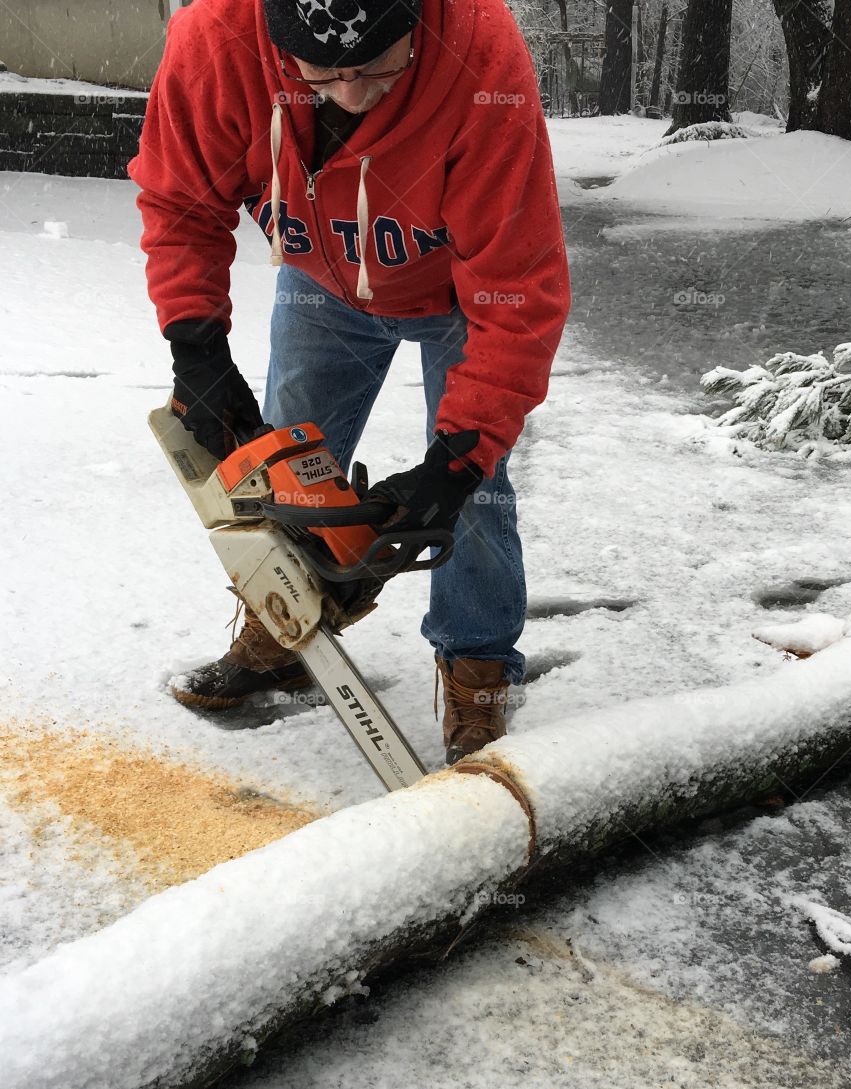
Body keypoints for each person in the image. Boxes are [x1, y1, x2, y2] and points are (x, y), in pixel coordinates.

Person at [128, 0, 570, 764]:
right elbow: (181, 202)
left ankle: (479, 669)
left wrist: (457, 460)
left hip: (465, 295)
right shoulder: (215, 38)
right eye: (325, 73)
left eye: (378, 66)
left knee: (476, 495)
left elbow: (517, 282)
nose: (354, 94)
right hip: (321, 283)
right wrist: (195, 347)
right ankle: (288, 626)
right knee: (285, 466)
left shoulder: (480, 50)